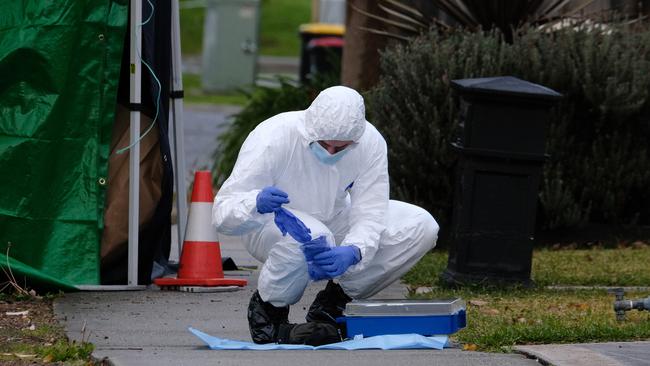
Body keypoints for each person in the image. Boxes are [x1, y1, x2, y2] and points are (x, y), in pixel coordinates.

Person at [212, 85, 439, 345]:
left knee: (422, 226)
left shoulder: (370, 142)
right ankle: (270, 316)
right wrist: (255, 203)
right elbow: (222, 212)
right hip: (271, 224)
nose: (331, 153)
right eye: (324, 145)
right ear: (310, 129)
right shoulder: (273, 136)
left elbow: (371, 211)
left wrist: (355, 250)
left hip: (334, 216)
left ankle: (333, 306)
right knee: (313, 235)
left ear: (356, 138)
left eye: (340, 148)